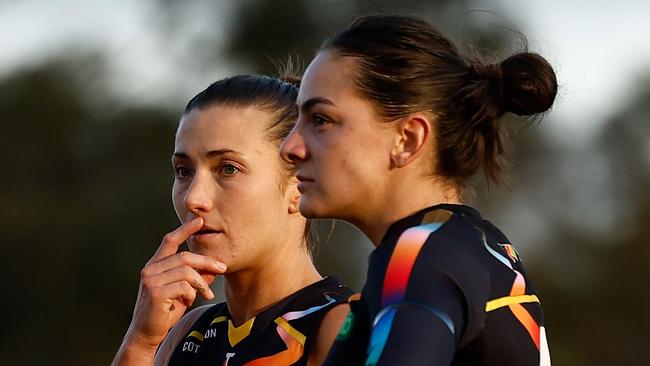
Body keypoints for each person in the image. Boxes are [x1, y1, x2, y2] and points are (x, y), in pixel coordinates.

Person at [280, 14, 557, 365]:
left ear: (407, 139)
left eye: (320, 120)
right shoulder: (477, 246)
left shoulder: (420, 254)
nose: (289, 147)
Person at [112, 74, 353, 366]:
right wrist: (140, 343)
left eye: (228, 169)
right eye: (184, 171)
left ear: (299, 182)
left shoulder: (342, 326)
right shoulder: (188, 334)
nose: (193, 199)